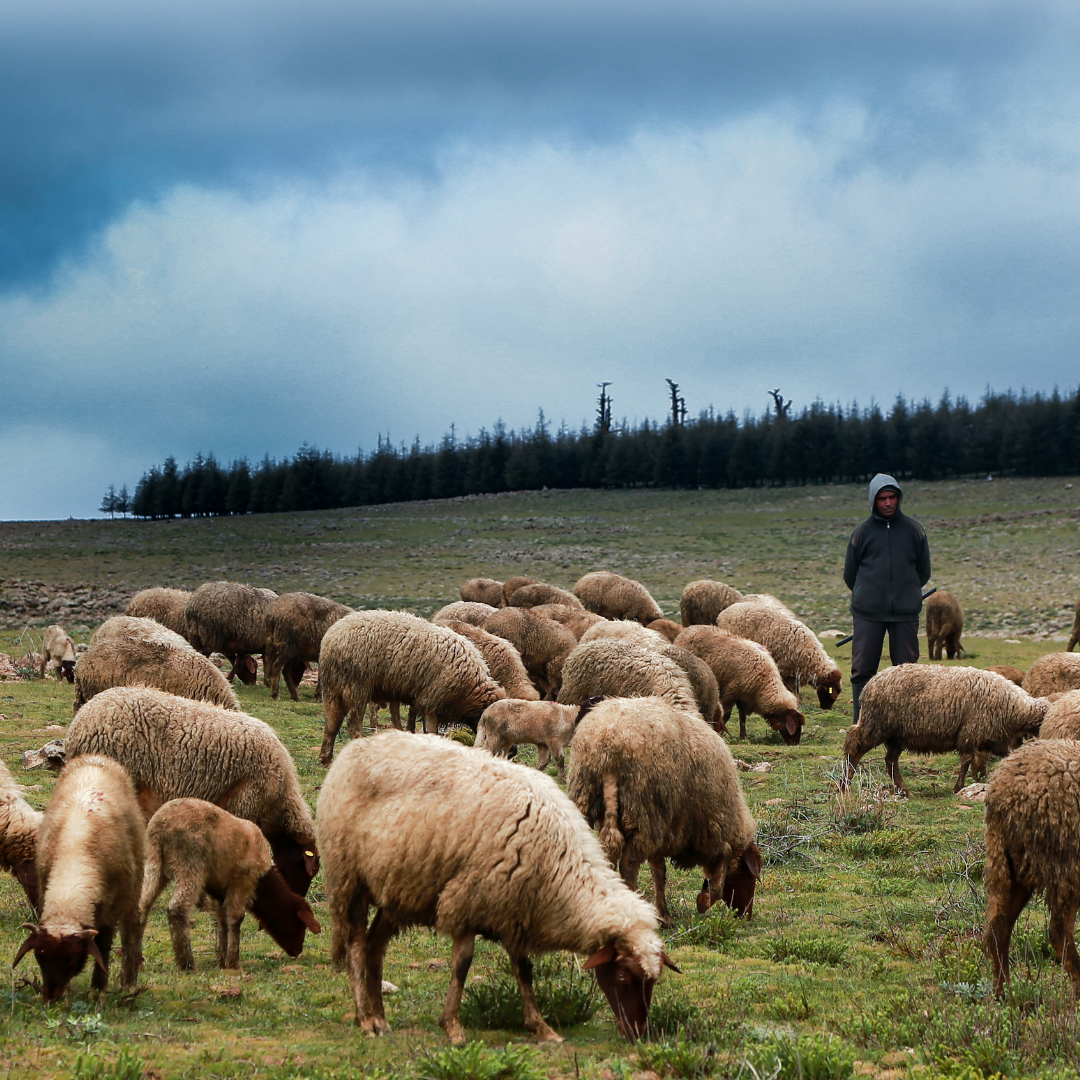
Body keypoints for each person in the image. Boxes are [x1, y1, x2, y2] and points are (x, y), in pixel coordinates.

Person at [843, 473, 932, 722]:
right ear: (874, 500)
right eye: (882, 498)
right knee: (862, 670)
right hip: (868, 614)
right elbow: (851, 574)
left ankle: (907, 724)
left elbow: (923, 571)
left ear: (899, 498)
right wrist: (869, 596)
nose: (888, 502)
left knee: (908, 671)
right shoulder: (861, 533)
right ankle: (861, 723)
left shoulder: (914, 530)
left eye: (893, 497)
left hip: (905, 613)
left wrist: (907, 593)